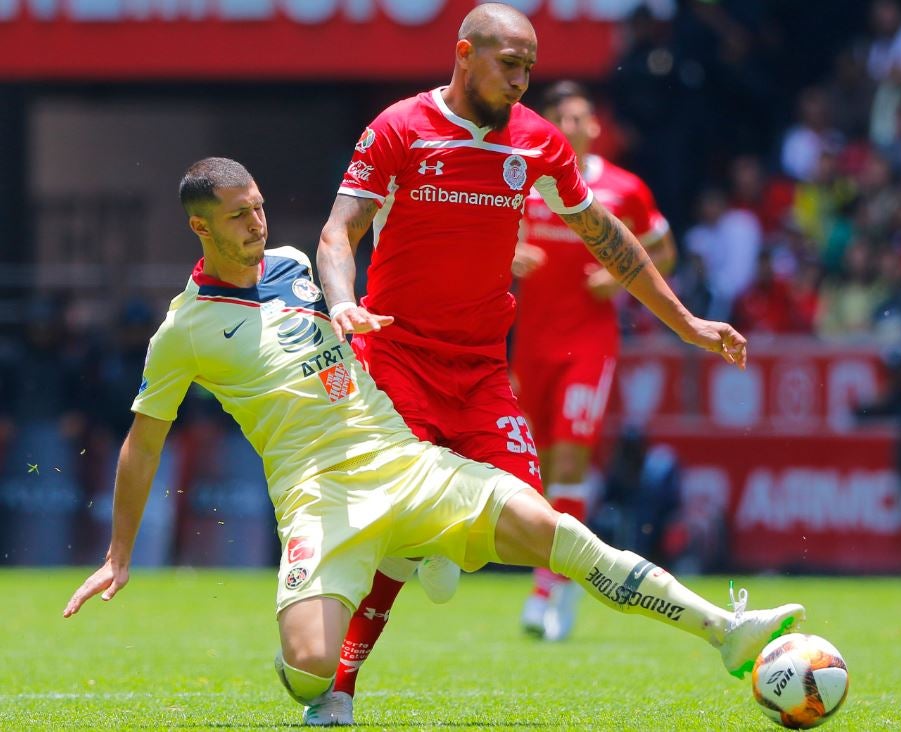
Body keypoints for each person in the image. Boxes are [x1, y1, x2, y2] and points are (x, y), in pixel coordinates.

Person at [62, 157, 804, 727]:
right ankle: (393, 574)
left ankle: (727, 632)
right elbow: (141, 444)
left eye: (257, 208)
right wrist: (118, 555)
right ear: (201, 227)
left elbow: (387, 268)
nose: (256, 224)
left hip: (409, 463)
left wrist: (475, 264)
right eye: (237, 218)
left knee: (568, 538)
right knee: (311, 669)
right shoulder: (183, 330)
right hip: (319, 502)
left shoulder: (294, 266)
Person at [316, 3, 778, 722]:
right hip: (397, 363)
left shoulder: (536, 143)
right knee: (392, 548)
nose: (523, 82)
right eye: (510, 64)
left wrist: (684, 319)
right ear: (464, 53)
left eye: (531, 67)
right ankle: (338, 689)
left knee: (552, 532)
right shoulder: (399, 127)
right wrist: (342, 300)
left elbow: (605, 234)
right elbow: (338, 233)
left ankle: (723, 633)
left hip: (480, 373)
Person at [510, 80, 676, 641]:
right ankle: (563, 579)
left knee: (570, 463)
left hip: (589, 343)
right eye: (563, 118)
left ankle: (548, 589)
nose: (574, 126)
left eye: (581, 117)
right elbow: (491, 236)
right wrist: (510, 253)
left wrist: (620, 275)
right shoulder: (528, 180)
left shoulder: (623, 188)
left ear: (595, 126)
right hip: (530, 343)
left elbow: (663, 247)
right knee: (531, 467)